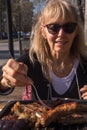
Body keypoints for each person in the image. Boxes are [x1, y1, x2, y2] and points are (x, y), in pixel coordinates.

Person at [0, 0, 87, 101]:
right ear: (43, 32)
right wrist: (5, 82)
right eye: (53, 27)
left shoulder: (84, 63)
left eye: (69, 27)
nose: (61, 34)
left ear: (76, 31)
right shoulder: (31, 61)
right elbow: (3, 83)